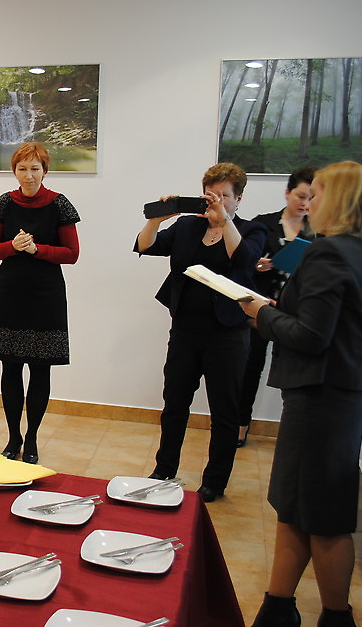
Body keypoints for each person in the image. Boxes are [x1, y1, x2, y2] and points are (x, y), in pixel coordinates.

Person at [240, 161, 362, 627]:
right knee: (294, 507)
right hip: (340, 394)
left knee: (324, 517)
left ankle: (336, 617)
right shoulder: (358, 251)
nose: (309, 202)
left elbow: (312, 336)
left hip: (321, 398)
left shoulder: (327, 253)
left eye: (317, 194)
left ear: (338, 199)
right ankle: (278, 606)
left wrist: (262, 313)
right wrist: (279, 310)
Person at [134, 162, 266, 502]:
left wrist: (225, 222)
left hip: (228, 334)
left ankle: (215, 481)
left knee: (224, 411)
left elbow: (244, 260)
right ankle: (164, 469)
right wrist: (156, 219)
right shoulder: (187, 226)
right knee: (174, 403)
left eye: (225, 196)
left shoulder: (252, 230)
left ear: (238, 199)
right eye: (211, 194)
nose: (216, 201)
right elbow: (146, 246)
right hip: (185, 330)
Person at [0, 141, 80, 465]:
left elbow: (72, 254)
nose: (29, 175)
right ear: (15, 171)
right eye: (22, 169)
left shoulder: (59, 204)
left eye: (35, 168)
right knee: (9, 368)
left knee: (40, 369)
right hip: (9, 292)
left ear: (44, 170)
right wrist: (13, 246)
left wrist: (38, 250)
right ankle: (13, 438)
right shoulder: (4, 203)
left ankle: (33, 437)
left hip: (46, 294)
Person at [237, 167, 316, 447]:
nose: (305, 203)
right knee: (250, 367)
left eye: (312, 197)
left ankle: (295, 431)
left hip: (298, 312)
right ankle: (241, 424)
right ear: (287, 193)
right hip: (260, 309)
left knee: (298, 372)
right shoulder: (263, 224)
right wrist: (255, 265)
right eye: (300, 196)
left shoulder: (319, 231)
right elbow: (241, 262)